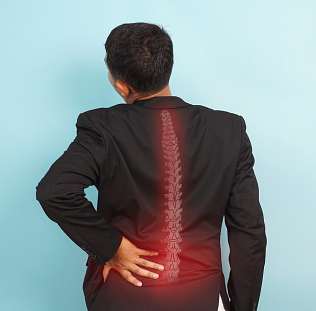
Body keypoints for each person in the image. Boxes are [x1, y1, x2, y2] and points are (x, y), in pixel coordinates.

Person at [35, 22, 266, 311]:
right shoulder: (227, 129)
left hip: (123, 296)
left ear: (121, 84)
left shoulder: (102, 128)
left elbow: (54, 191)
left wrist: (112, 248)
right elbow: (250, 233)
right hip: (205, 298)